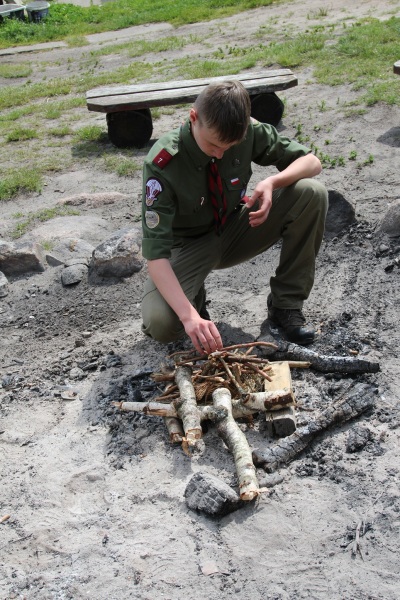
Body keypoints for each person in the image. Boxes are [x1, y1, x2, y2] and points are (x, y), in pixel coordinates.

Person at [141, 80, 328, 355]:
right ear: (194, 118)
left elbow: (312, 163)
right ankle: (195, 303)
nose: (220, 153)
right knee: (162, 323)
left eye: (230, 146)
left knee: (311, 193)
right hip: (188, 247)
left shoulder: (246, 130)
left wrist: (272, 182)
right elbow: (156, 256)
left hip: (235, 228)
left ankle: (285, 306)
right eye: (213, 145)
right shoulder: (163, 164)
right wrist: (189, 317)